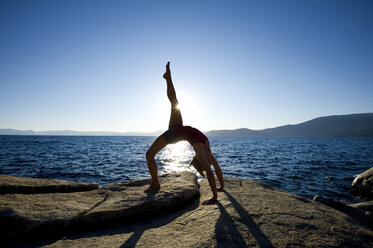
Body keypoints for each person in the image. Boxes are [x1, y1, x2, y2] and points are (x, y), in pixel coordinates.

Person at [145, 62, 224, 205]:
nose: (206, 163)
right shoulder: (205, 150)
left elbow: (212, 171)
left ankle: (155, 183)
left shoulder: (201, 150)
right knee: (174, 102)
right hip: (178, 128)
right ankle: (168, 77)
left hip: (174, 134)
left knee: (149, 155)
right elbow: (214, 169)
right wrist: (219, 190)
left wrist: (215, 195)